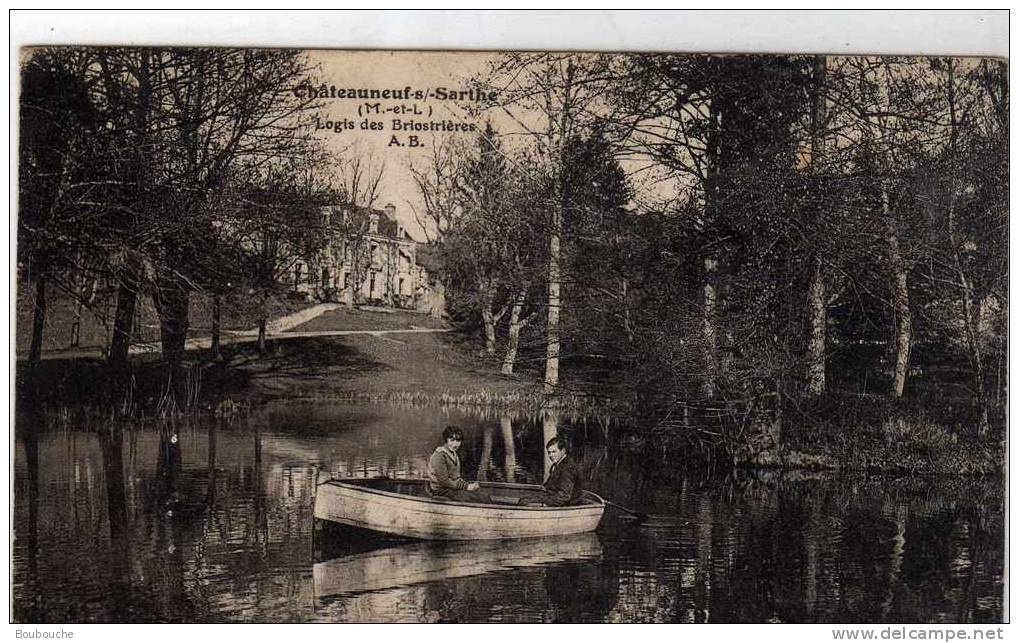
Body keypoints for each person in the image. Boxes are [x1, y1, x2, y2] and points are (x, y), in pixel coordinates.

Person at [427, 425, 488, 502]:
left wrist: (468, 485)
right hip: (441, 490)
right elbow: (444, 481)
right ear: (446, 440)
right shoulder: (439, 455)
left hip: (451, 487)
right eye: (452, 440)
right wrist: (466, 487)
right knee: (468, 498)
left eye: (458, 441)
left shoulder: (453, 453)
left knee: (483, 495)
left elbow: (456, 478)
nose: (455, 444)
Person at [520, 436, 583, 506]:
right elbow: (550, 486)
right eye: (549, 452)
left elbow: (564, 496)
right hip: (553, 497)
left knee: (526, 503)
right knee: (524, 500)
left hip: (567, 504)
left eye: (554, 452)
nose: (551, 455)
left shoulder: (568, 468)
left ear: (563, 451)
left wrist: (544, 505)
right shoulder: (557, 465)